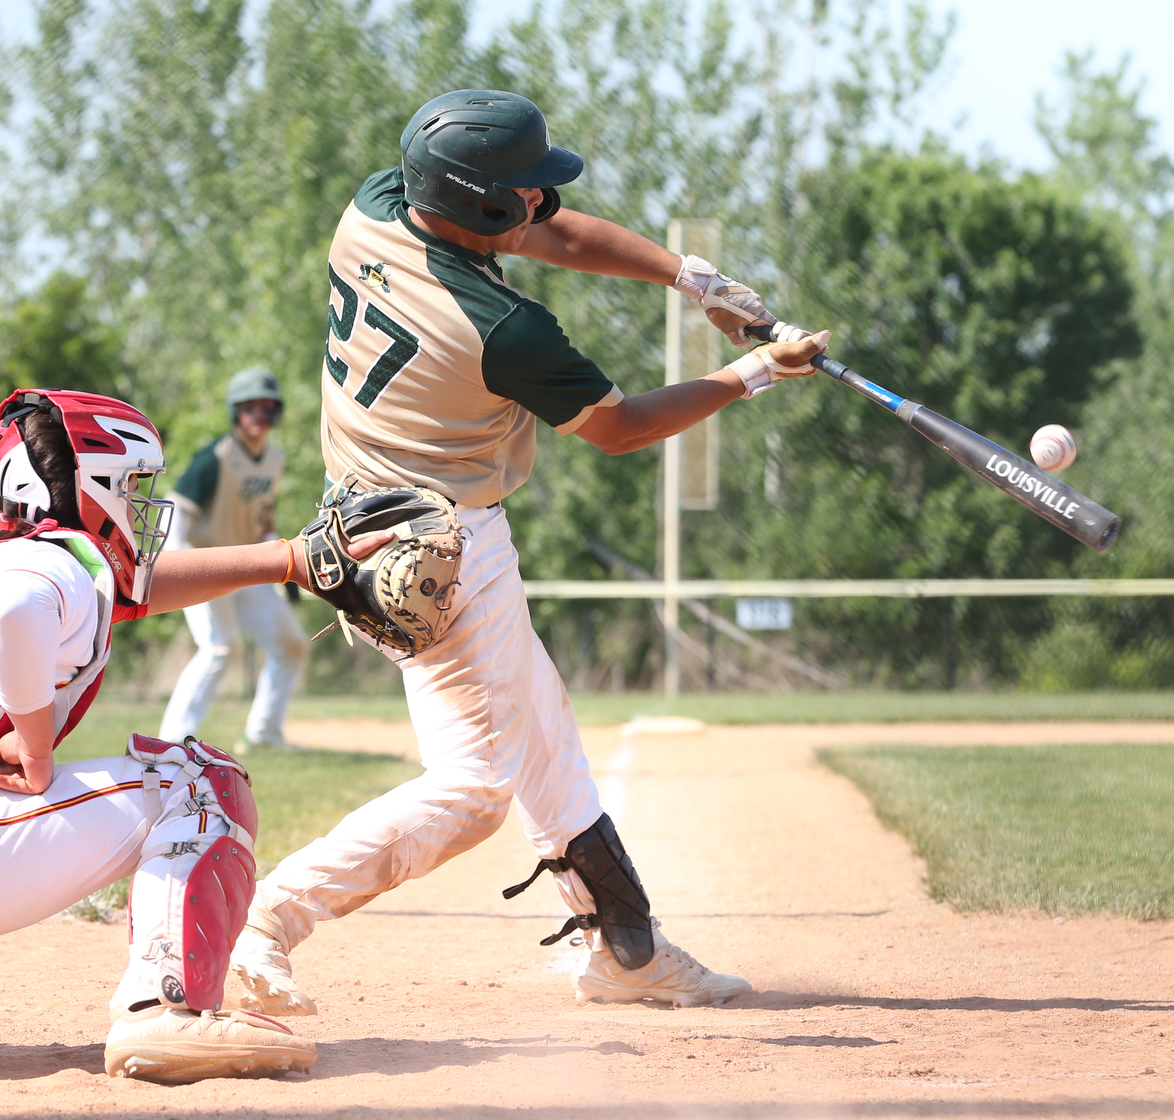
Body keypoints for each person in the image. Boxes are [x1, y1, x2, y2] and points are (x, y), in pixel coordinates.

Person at [229, 88, 829, 1013]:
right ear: (484, 205)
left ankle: (627, 951)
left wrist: (693, 278)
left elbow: (555, 235)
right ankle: (264, 920)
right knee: (474, 789)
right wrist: (750, 373)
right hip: (440, 542)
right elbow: (622, 428)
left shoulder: (378, 204)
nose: (543, 203)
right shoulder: (503, 331)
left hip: (370, 514)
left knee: (546, 742)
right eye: (526, 191)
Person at [0, 388, 384, 1082]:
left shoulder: (40, 558)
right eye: (131, 484)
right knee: (201, 782)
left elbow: (129, 589)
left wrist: (289, 558)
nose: (142, 505)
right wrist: (34, 746)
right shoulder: (46, 563)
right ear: (88, 483)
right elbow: (20, 605)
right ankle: (165, 1011)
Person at [158, 368, 310, 752]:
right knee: (219, 647)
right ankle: (172, 743)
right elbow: (174, 513)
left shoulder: (275, 458)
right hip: (203, 564)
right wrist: (182, 570)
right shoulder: (216, 457)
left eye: (267, 406)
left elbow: (263, 520)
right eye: (249, 407)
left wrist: (283, 564)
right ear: (235, 412)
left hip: (243, 566)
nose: (258, 414)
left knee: (292, 645)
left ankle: (264, 735)